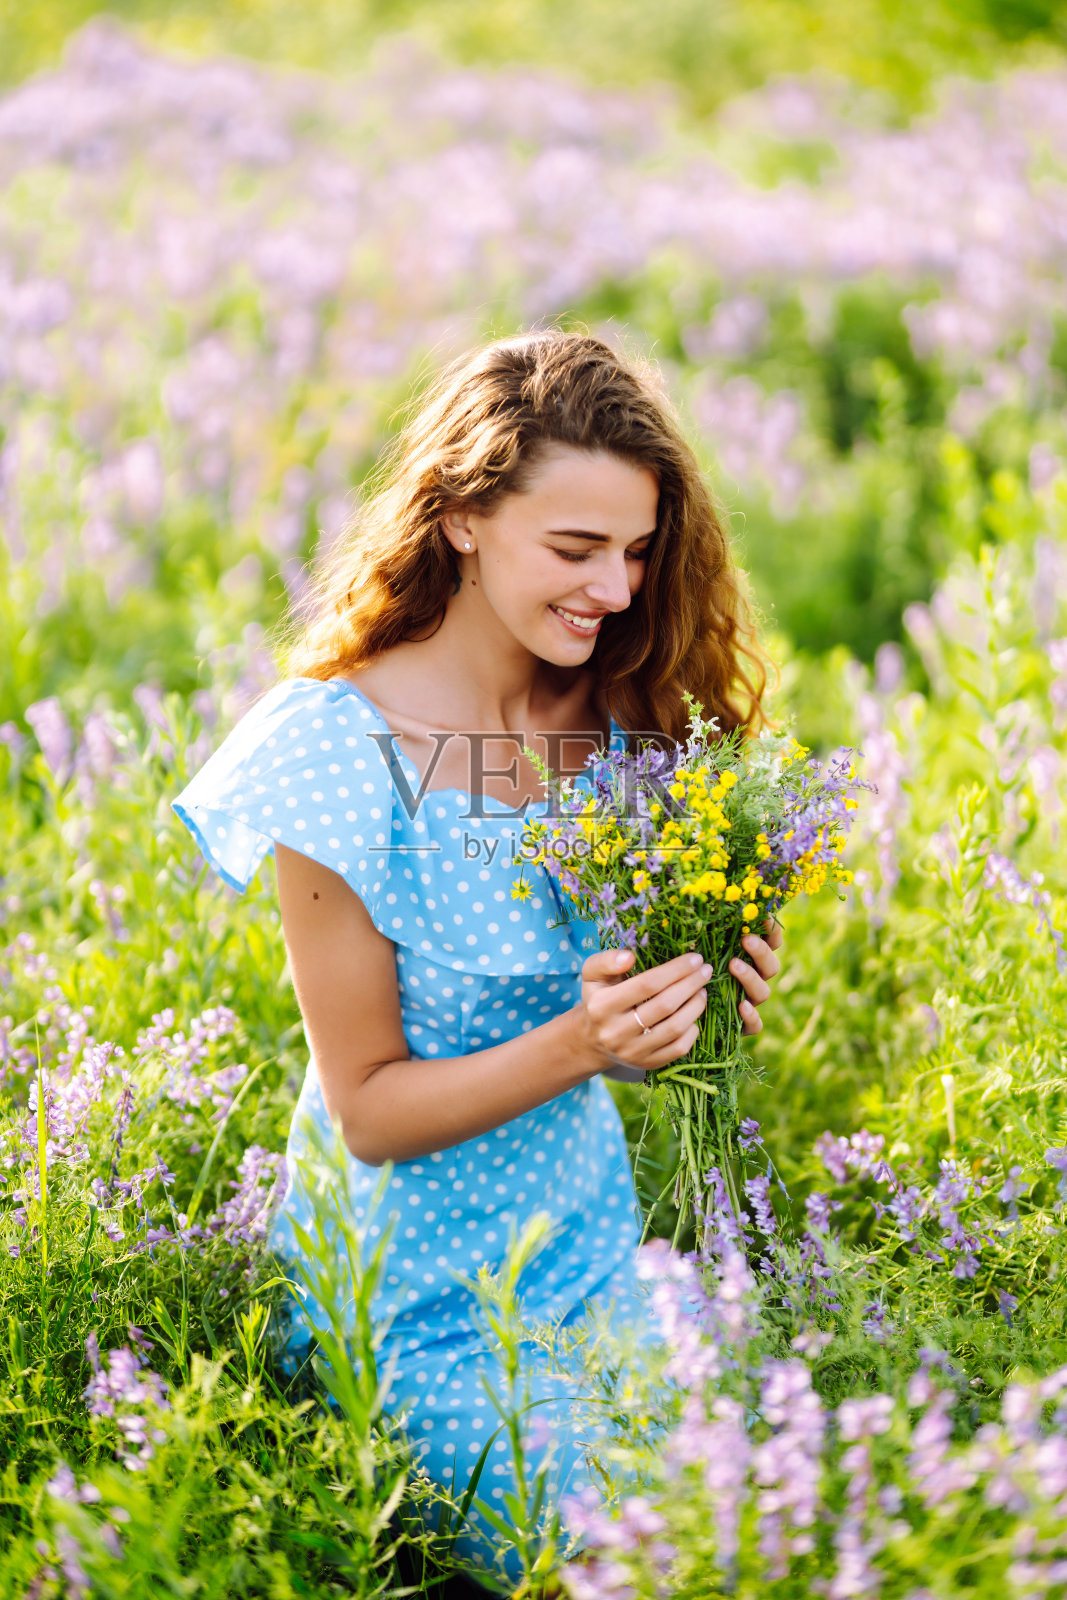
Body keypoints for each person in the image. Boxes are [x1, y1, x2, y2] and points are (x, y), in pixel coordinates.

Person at [171, 329, 783, 1587]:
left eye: (636, 550)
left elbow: (627, 1027)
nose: (614, 589)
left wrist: (704, 995)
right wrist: (585, 1042)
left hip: (596, 1264)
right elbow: (371, 1113)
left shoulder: (623, 716)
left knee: (768, 1522)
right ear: (457, 516)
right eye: (573, 549)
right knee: (631, 1559)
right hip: (418, 1314)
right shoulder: (335, 750)